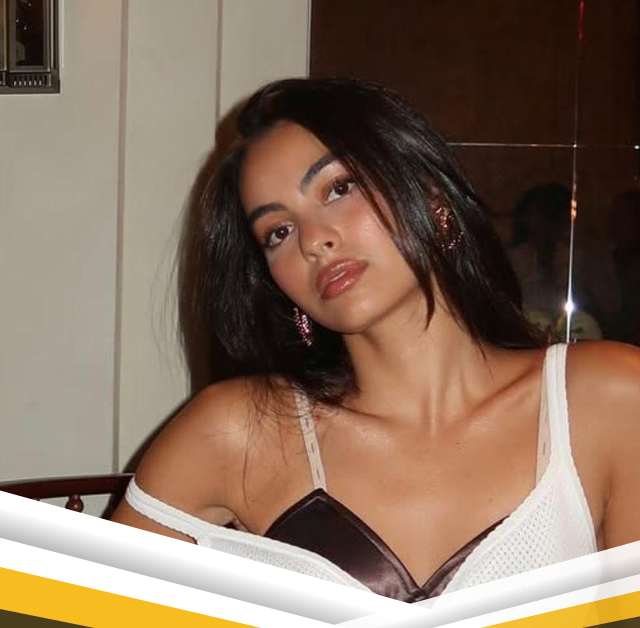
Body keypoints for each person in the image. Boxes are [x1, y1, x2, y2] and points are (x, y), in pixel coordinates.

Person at [111, 78, 640, 602]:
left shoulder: (608, 397)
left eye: (339, 188)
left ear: (432, 200)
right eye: (278, 232)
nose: (314, 240)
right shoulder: (236, 431)